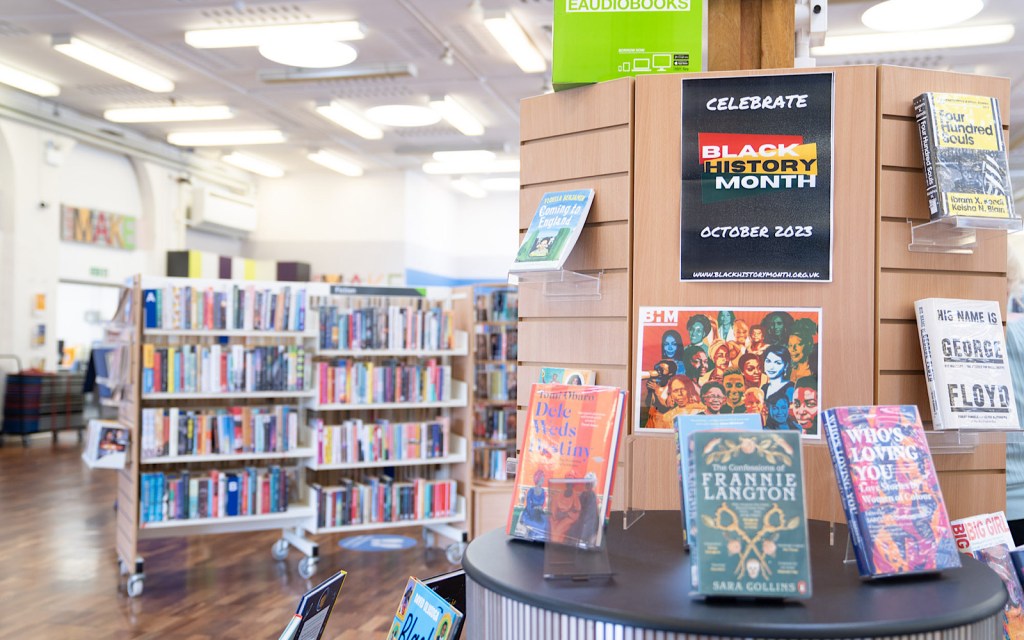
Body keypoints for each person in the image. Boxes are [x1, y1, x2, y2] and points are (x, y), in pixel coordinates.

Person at [761, 345, 794, 430]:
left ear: (785, 366)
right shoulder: (764, 388)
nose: (771, 367)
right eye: (768, 361)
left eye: (777, 363)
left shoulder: (790, 389)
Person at [642, 359, 677, 429]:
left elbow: (666, 407)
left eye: (662, 369)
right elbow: (648, 403)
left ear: (670, 373)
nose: (658, 372)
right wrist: (650, 391)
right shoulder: (656, 384)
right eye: (658, 369)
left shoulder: (673, 387)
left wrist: (656, 391)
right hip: (652, 421)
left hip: (664, 424)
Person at [549, 475, 581, 545]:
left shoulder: (574, 495)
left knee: (558, 530)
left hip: (568, 517)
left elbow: (577, 510)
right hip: (558, 516)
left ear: (572, 484)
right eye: (567, 482)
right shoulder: (560, 494)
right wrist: (556, 515)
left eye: (570, 483)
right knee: (552, 525)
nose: (569, 484)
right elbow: (554, 505)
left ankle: (556, 546)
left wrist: (566, 514)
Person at [519, 469, 549, 540]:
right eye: (541, 479)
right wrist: (532, 511)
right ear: (537, 479)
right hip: (530, 511)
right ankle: (531, 535)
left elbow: (542, 504)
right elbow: (528, 503)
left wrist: (539, 508)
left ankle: (539, 537)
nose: (542, 481)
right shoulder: (531, 490)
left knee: (545, 521)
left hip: (539, 511)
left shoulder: (543, 491)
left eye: (543, 479)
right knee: (532, 521)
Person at [573, 472, 600, 548]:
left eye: (590, 484)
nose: (588, 485)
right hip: (581, 521)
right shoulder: (583, 494)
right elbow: (578, 508)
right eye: (587, 483)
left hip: (588, 523)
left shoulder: (592, 496)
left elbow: (591, 515)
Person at [787, 318, 818, 383]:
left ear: (808, 344)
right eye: (790, 345)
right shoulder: (788, 370)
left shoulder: (815, 371)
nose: (792, 349)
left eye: (797, 344)